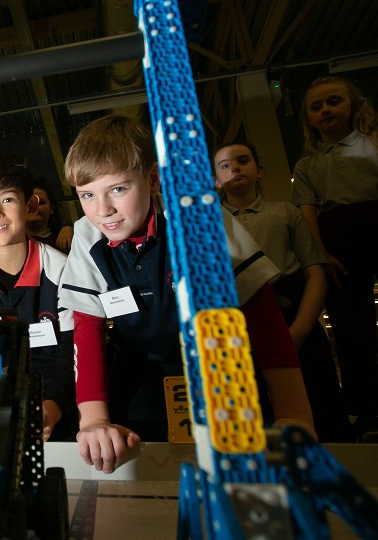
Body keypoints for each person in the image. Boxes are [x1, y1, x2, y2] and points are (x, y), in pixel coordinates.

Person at [59, 115, 315, 473]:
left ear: (152, 179)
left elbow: (259, 309)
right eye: (87, 195)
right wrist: (93, 420)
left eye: (118, 189)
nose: (103, 211)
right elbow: (87, 327)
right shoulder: (86, 233)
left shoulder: (200, 217)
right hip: (141, 365)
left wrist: (294, 414)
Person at [214, 141, 353, 442]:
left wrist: (299, 331)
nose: (235, 168)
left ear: (260, 170)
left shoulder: (286, 213)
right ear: (215, 180)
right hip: (237, 324)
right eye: (225, 165)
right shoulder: (208, 225)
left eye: (243, 160)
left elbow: (315, 271)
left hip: (291, 317)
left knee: (319, 406)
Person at [0, 154, 77, 442]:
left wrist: (52, 408)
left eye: (7, 199)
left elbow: (72, 352)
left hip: (59, 412)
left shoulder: (63, 271)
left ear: (30, 205)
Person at [290, 76, 378, 438]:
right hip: (338, 239)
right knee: (350, 324)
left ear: (353, 106)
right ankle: (367, 409)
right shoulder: (307, 166)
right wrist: (321, 253)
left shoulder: (373, 144)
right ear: (309, 118)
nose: (326, 110)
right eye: (317, 106)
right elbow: (308, 213)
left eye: (334, 102)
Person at [27, 177, 74, 253]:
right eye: (29, 203)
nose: (34, 208)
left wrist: (73, 231)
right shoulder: (12, 242)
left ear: (51, 208)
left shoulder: (67, 239)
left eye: (41, 203)